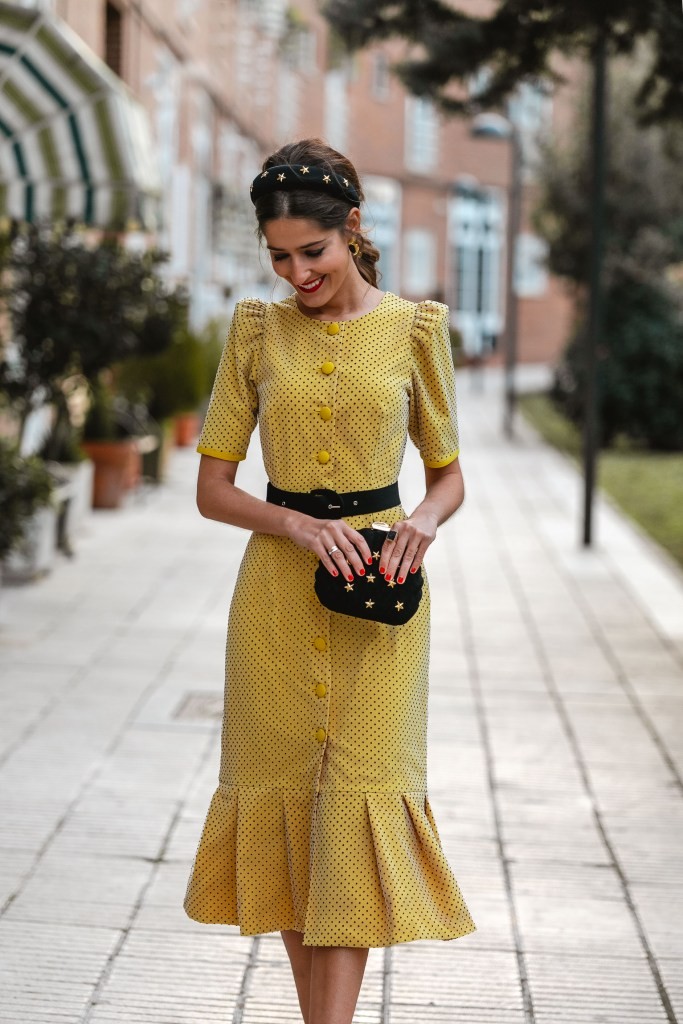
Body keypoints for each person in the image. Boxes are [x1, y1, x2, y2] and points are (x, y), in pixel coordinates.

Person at [183, 138, 476, 1024]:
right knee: (288, 830)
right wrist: (298, 525)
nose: (295, 272)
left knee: (349, 818)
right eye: (278, 256)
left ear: (351, 228)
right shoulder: (255, 331)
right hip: (274, 598)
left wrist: (421, 522)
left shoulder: (416, 330)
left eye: (310, 251)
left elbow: (449, 475)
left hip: (377, 605)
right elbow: (211, 488)